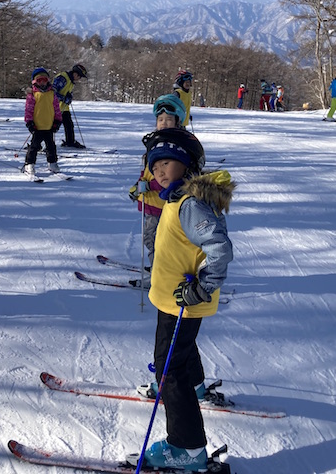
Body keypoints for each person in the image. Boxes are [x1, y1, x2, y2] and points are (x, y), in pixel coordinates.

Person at [134, 127, 235, 472]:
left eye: (167, 163)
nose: (160, 171)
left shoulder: (190, 205)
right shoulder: (177, 197)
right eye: (155, 165)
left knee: (168, 369)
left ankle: (187, 447)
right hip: (173, 299)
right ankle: (195, 385)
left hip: (184, 300)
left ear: (187, 165)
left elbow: (219, 248)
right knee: (182, 353)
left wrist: (203, 285)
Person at [128, 94, 186, 272]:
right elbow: (148, 172)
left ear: (177, 122)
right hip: (152, 203)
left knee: (154, 239)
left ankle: (160, 273)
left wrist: (150, 186)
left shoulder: (174, 146)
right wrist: (137, 186)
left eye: (169, 119)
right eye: (160, 119)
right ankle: (160, 267)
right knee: (154, 238)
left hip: (163, 204)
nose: (163, 123)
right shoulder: (156, 143)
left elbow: (171, 178)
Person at [24, 68, 62, 176]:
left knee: (51, 146)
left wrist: (57, 121)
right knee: (34, 147)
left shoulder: (51, 94)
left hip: (49, 126)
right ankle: (29, 164)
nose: (42, 82)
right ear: (35, 81)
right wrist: (29, 123)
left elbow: (56, 109)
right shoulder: (33, 94)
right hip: (37, 127)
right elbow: (29, 110)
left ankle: (52, 163)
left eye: (44, 80)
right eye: (39, 80)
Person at [53, 64, 88, 148]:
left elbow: (67, 93)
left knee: (69, 124)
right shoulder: (63, 78)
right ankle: (38, 144)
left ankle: (70, 142)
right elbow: (52, 92)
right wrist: (64, 98)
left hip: (64, 107)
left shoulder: (71, 81)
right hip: (53, 107)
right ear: (75, 74)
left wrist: (69, 98)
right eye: (80, 76)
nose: (79, 79)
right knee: (50, 126)